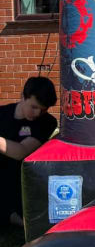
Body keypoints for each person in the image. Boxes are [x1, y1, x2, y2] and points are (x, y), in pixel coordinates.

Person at [0, 77, 57, 228]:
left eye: (43, 109)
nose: (37, 113)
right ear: (23, 97)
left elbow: (21, 152)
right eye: (34, 107)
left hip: (19, 180)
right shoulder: (2, 114)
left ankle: (14, 217)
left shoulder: (47, 122)